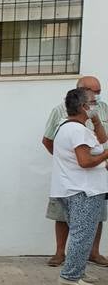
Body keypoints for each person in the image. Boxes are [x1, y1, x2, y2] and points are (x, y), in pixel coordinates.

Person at [42, 76, 108, 268]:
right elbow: (48, 140)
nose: (97, 97)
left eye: (98, 92)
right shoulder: (62, 114)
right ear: (80, 94)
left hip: (94, 179)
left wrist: (96, 121)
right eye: (92, 93)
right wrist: (67, 161)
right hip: (73, 180)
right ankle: (64, 258)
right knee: (66, 218)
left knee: (93, 219)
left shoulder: (101, 110)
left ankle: (91, 254)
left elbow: (103, 141)